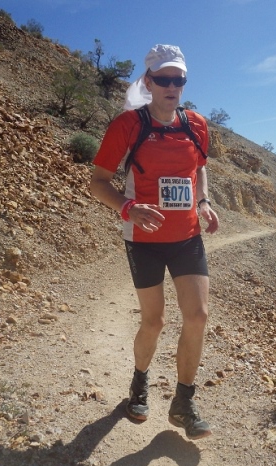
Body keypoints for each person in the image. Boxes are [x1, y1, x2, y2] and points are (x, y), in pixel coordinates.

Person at [89, 44, 219, 440]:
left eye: (179, 79)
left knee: (197, 316)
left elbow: (199, 169)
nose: (172, 86)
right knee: (155, 320)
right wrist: (128, 208)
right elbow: (97, 183)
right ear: (148, 81)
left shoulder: (196, 124)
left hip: (186, 237)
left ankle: (183, 403)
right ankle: (139, 383)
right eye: (163, 79)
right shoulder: (128, 125)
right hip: (143, 239)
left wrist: (204, 202)